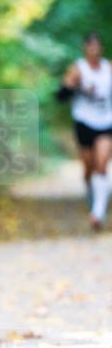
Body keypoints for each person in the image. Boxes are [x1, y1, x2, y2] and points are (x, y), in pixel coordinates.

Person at [57, 32, 112, 230]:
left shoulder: (108, 68)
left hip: (106, 122)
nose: (94, 50)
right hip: (84, 122)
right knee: (89, 167)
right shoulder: (77, 69)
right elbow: (60, 96)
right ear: (85, 48)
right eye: (91, 46)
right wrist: (76, 87)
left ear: (101, 49)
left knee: (102, 163)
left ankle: (98, 212)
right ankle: (92, 196)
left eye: (97, 46)